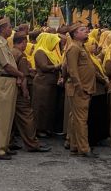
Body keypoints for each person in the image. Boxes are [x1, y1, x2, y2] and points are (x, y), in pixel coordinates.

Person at [0, 18, 23, 161]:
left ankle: (4, 146)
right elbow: (7, 66)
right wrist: (21, 74)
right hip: (3, 81)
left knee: (8, 116)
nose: (11, 29)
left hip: (8, 81)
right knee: (1, 117)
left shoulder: (4, 43)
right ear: (3, 29)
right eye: (9, 27)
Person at [10, 33, 50, 154]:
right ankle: (32, 144)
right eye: (25, 43)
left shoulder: (9, 52)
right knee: (27, 116)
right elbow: (23, 77)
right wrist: (25, 91)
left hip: (9, 90)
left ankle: (9, 142)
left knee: (11, 117)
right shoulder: (21, 56)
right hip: (19, 90)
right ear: (22, 42)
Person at [64, 24, 98, 156]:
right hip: (80, 89)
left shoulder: (81, 47)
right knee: (81, 120)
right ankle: (84, 149)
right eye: (82, 30)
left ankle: (74, 145)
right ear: (75, 34)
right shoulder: (73, 48)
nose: (87, 32)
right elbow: (72, 70)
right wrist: (79, 87)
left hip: (85, 88)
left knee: (77, 119)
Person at [31, 31, 62, 137]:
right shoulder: (40, 52)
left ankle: (46, 128)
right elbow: (44, 67)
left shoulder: (48, 52)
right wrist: (57, 67)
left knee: (48, 107)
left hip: (49, 84)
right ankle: (39, 129)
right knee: (41, 107)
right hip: (42, 84)